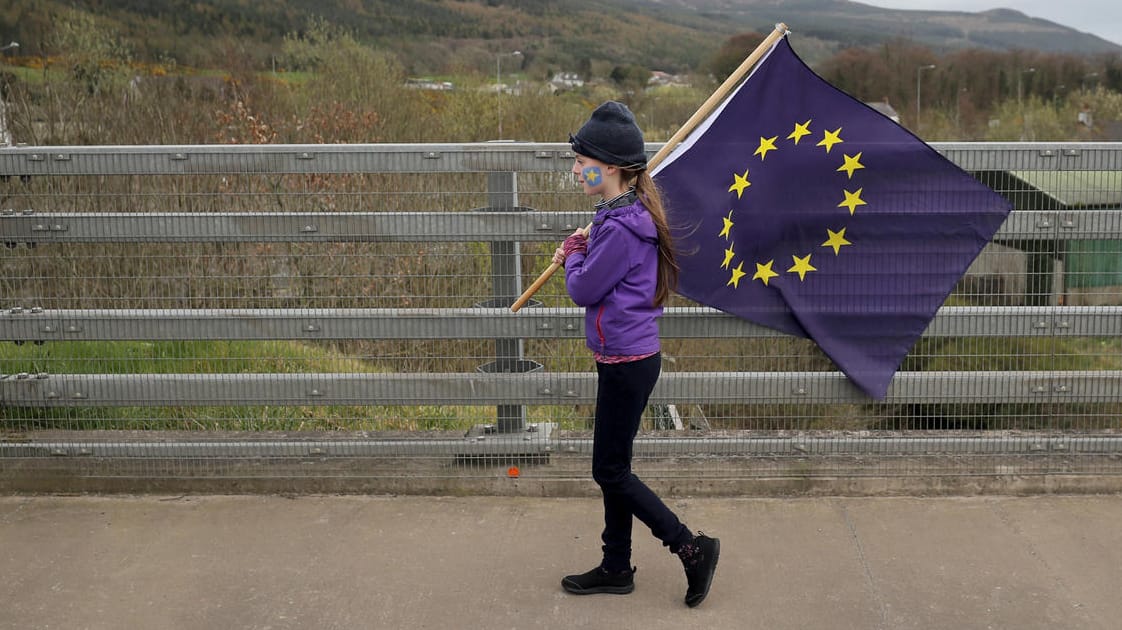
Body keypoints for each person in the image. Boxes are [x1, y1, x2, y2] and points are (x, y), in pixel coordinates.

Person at [551, 101, 720, 608]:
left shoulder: (622, 228)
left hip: (627, 362)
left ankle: (691, 547)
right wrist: (582, 248)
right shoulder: (618, 216)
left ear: (613, 168)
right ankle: (616, 565)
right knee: (615, 466)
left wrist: (573, 257)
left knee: (610, 471)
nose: (576, 168)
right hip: (623, 357)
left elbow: (583, 291)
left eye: (583, 161)